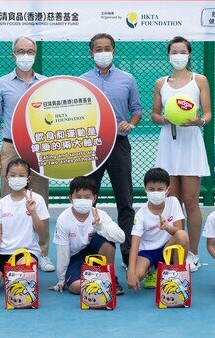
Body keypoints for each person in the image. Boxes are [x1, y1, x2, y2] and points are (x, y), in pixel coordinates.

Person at [0, 36, 54, 272]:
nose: (26, 55)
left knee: (40, 200)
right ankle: (7, 251)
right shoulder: (1, 84)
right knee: (10, 198)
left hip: (39, 148)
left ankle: (42, 253)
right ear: (13, 55)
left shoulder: (46, 83)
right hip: (11, 147)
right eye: (21, 51)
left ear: (35, 54)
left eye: (30, 51)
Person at [81, 33, 142, 266]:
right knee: (87, 201)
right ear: (91, 52)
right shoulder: (82, 81)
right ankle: (89, 250)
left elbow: (137, 109)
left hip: (118, 144)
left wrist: (131, 123)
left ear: (114, 51)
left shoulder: (127, 79)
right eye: (98, 48)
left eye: (107, 48)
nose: (103, 52)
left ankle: (128, 254)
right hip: (91, 146)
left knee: (125, 201)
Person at [151, 36, 211, 272]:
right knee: (172, 203)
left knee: (190, 202)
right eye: (174, 52)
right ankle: (176, 251)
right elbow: (154, 115)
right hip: (169, 144)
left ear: (189, 54)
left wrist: (198, 122)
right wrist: (166, 119)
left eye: (182, 51)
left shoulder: (200, 81)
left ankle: (193, 254)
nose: (178, 55)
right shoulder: (160, 83)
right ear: (168, 55)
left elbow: (207, 114)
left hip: (191, 144)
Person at [0, 158, 51, 293]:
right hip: (3, 252)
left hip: (26, 252)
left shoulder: (37, 199)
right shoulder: (2, 203)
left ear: (28, 179)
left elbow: (41, 232)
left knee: (20, 285)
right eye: (12, 175)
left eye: (21, 175)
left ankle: (14, 273)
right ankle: (8, 272)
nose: (16, 179)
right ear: (7, 178)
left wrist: (33, 212)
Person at [48, 177, 125, 295]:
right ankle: (98, 281)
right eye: (78, 197)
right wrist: (61, 280)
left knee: (107, 243)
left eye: (87, 197)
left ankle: (109, 278)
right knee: (77, 287)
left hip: (95, 254)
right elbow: (63, 251)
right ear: (71, 198)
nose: (82, 200)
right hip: (75, 258)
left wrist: (100, 227)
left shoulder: (100, 215)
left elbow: (121, 238)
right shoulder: (63, 219)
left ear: (94, 198)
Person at [126, 167, 189, 291]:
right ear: (145, 190)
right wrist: (131, 272)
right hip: (146, 252)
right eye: (151, 189)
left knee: (182, 236)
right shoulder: (141, 214)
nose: (156, 192)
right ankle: (152, 270)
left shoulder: (173, 202)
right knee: (136, 276)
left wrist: (166, 227)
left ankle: (176, 274)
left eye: (160, 189)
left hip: (167, 248)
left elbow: (179, 231)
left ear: (167, 190)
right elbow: (135, 245)